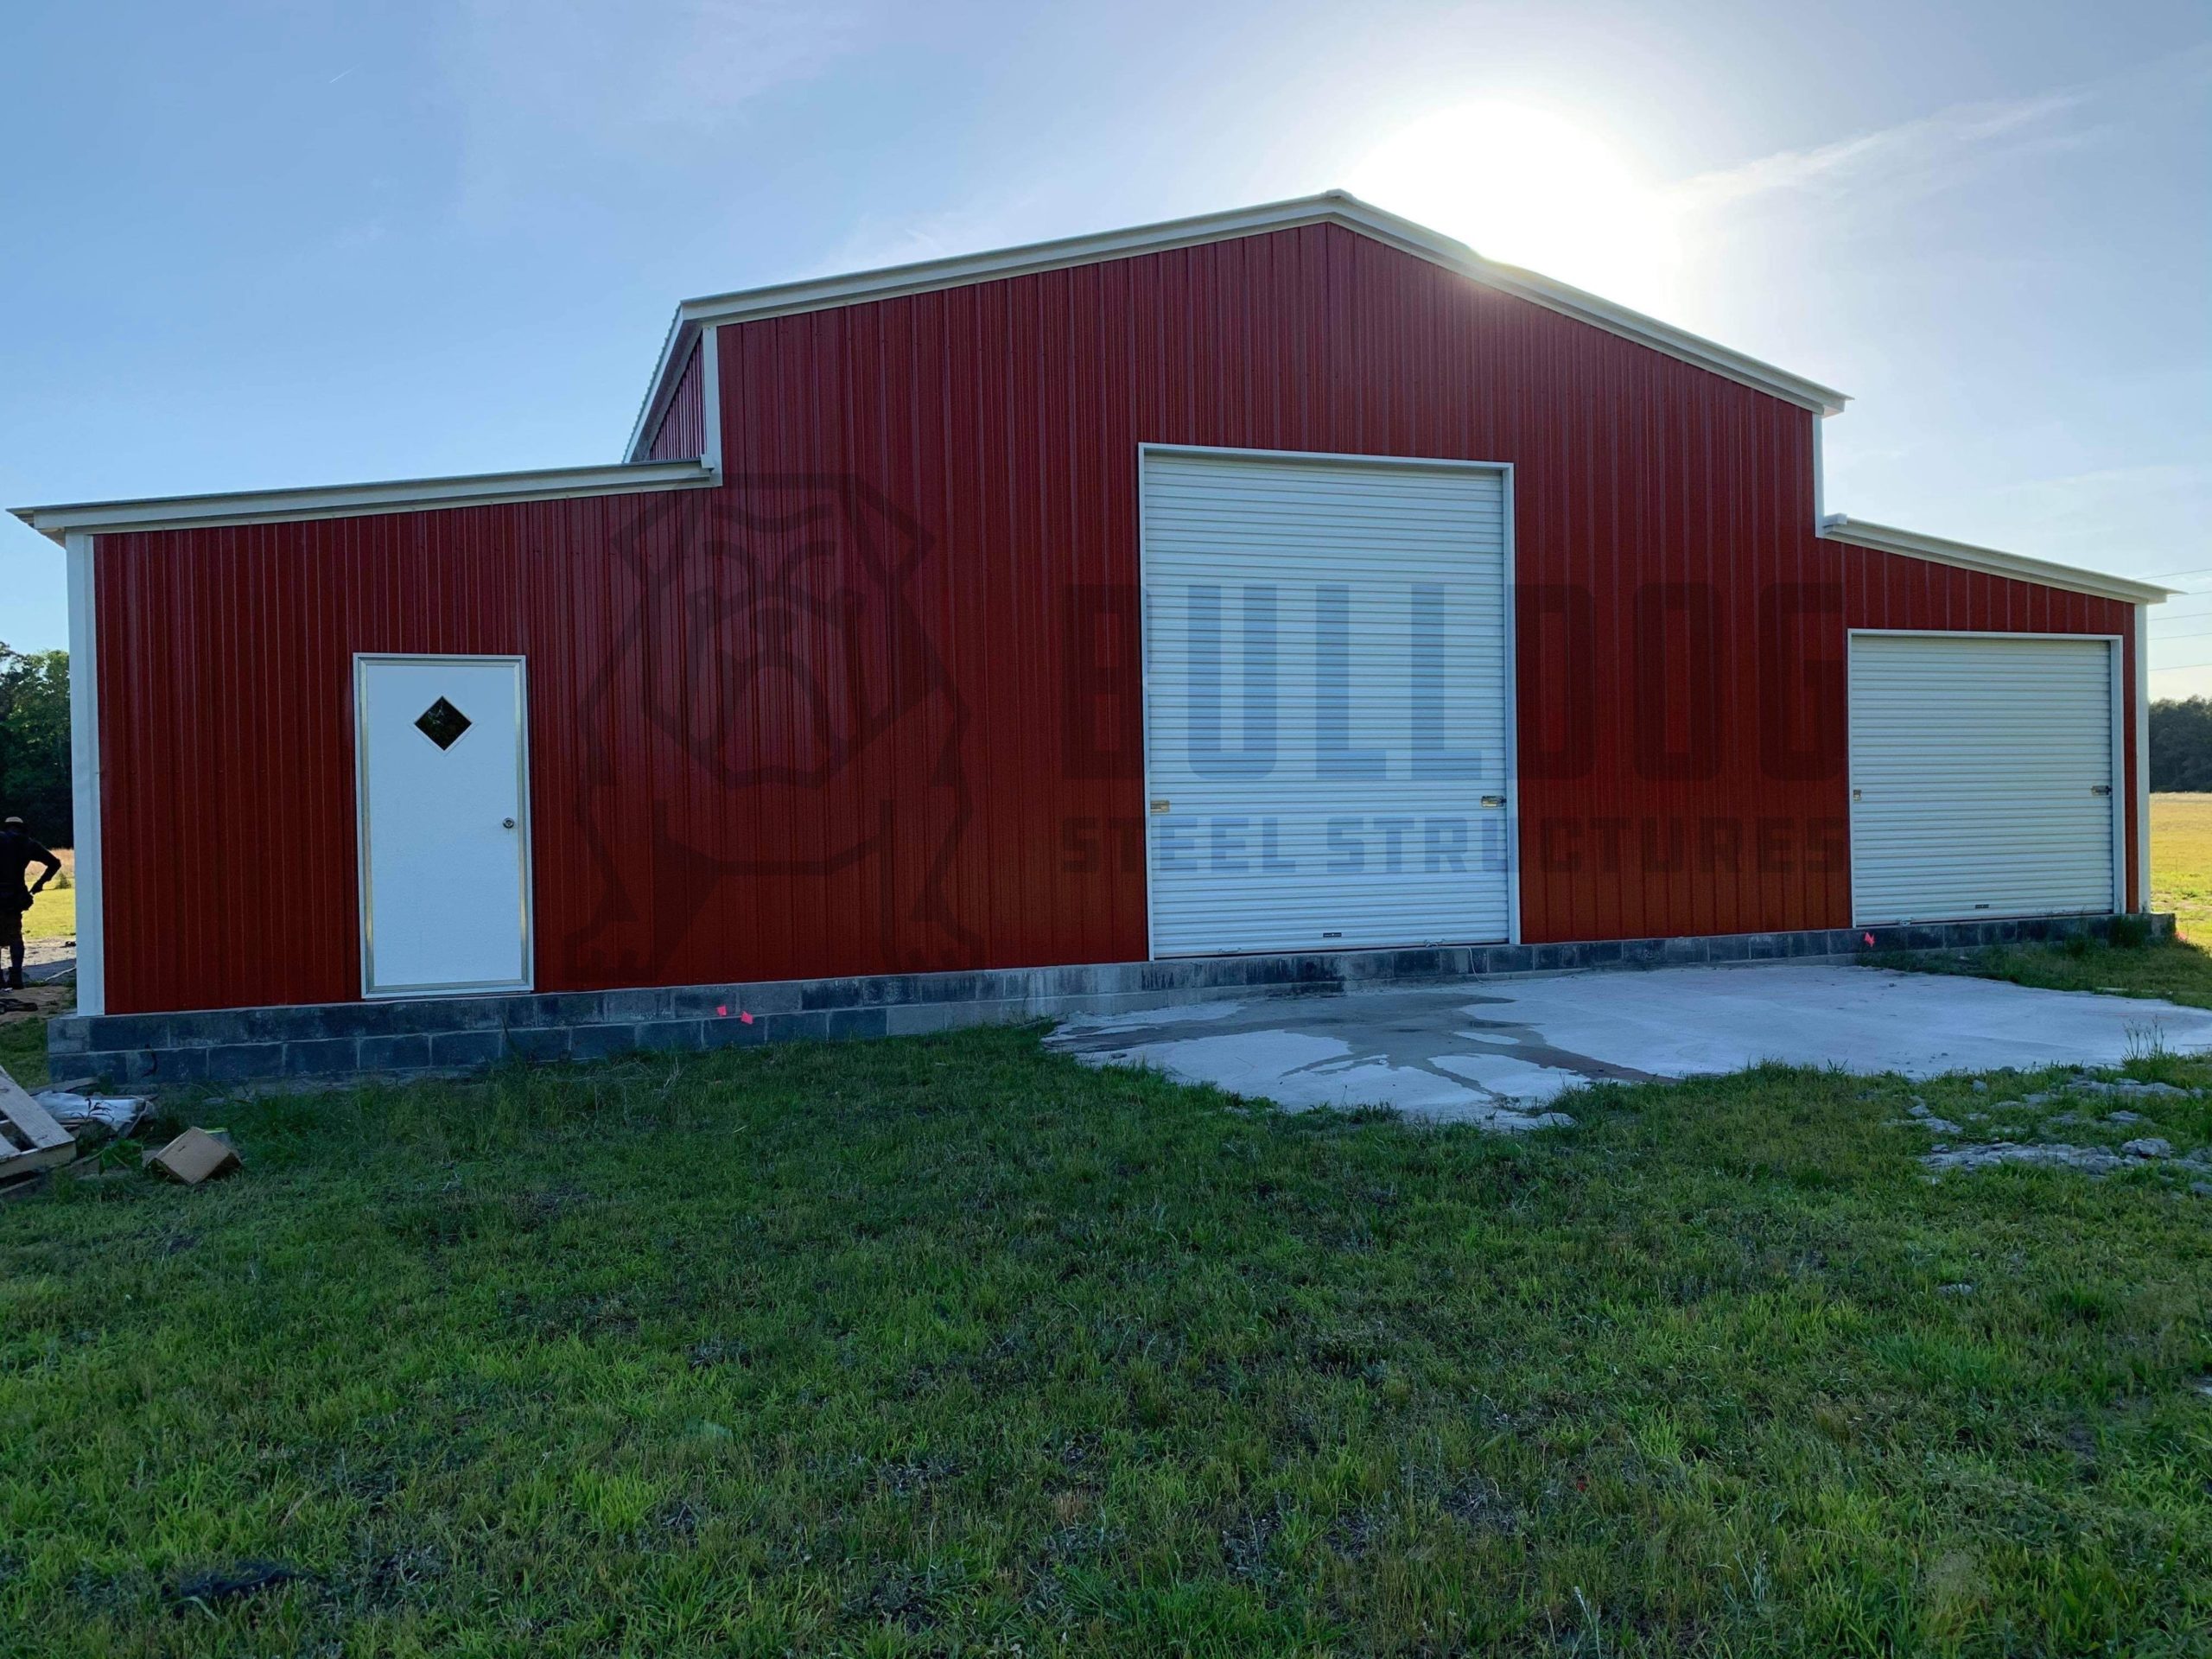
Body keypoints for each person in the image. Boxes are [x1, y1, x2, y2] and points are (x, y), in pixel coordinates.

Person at [1, 816, 61, 992]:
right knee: (15, 935)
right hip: (16, 895)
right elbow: (54, 863)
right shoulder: (28, 844)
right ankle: (17, 976)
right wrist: (39, 885)